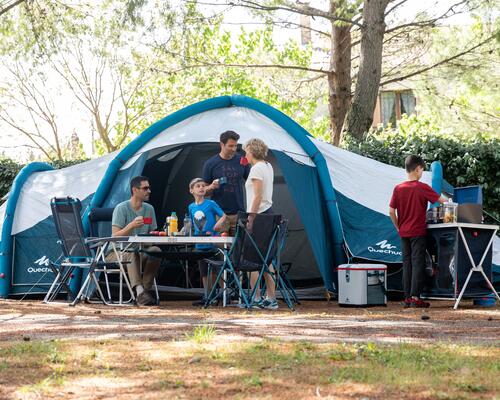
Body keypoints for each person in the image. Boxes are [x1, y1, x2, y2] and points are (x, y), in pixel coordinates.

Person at [389, 155, 446, 308]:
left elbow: (391, 211)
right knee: (418, 263)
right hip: (418, 232)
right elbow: (443, 201)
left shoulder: (398, 188)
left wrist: (398, 227)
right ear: (418, 169)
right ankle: (415, 298)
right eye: (422, 170)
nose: (422, 173)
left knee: (407, 264)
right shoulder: (422, 187)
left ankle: (407, 298)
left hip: (404, 232)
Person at [107, 176, 161, 306]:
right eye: (145, 188)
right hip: (116, 253)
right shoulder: (121, 208)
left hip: (140, 250)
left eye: (149, 188)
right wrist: (131, 226)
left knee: (156, 251)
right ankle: (139, 291)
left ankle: (145, 292)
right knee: (132, 253)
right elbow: (114, 236)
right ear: (134, 190)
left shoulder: (149, 209)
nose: (149, 191)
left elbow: (151, 234)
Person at [243, 138, 277, 310]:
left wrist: (251, 218)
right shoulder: (268, 166)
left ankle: (256, 297)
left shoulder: (256, 168)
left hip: (259, 215)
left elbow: (257, 196)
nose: (245, 155)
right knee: (266, 259)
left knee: (250, 258)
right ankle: (271, 298)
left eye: (246, 151)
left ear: (252, 151)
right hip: (268, 213)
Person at [203, 130, 250, 236]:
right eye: (230, 146)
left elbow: (251, 183)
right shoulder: (210, 164)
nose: (234, 149)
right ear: (221, 144)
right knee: (221, 248)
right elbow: (204, 192)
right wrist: (212, 187)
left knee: (238, 248)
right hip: (219, 214)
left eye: (235, 146)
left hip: (239, 212)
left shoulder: (242, 160)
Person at [188, 177, 227, 306]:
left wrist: (219, 224)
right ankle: (207, 295)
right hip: (199, 242)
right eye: (198, 186)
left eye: (203, 186)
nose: (201, 188)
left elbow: (224, 215)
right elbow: (190, 222)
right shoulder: (191, 206)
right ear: (191, 190)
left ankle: (224, 294)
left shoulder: (210, 203)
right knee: (203, 271)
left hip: (212, 241)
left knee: (217, 269)